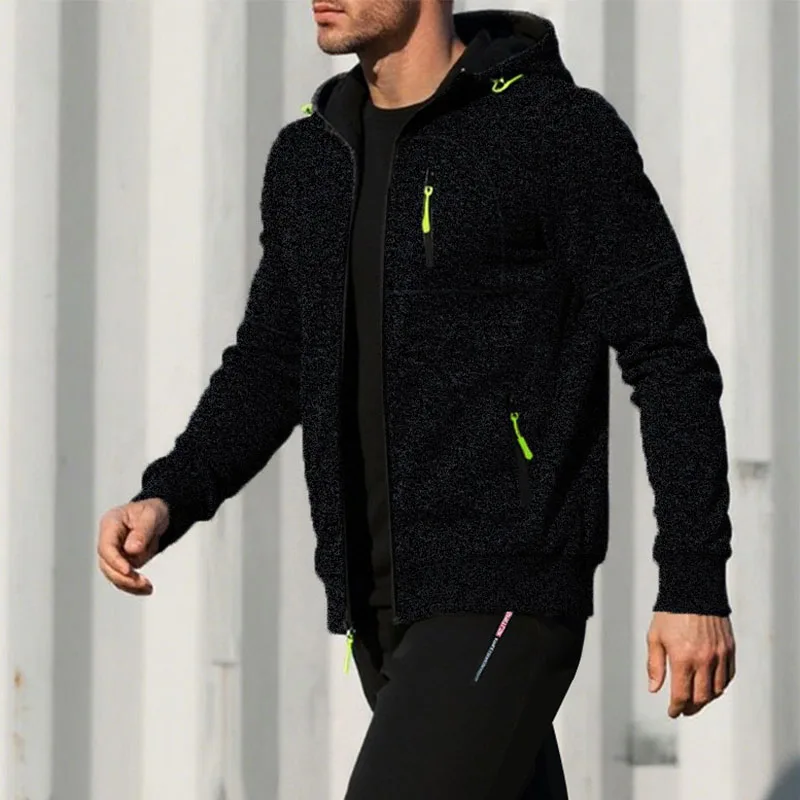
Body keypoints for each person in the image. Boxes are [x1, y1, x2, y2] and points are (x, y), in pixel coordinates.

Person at [96, 3, 737, 797]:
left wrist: (693, 579)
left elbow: (668, 354)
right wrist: (169, 494)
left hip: (507, 587)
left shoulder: (551, 130)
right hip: (377, 602)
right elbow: (271, 362)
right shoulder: (311, 158)